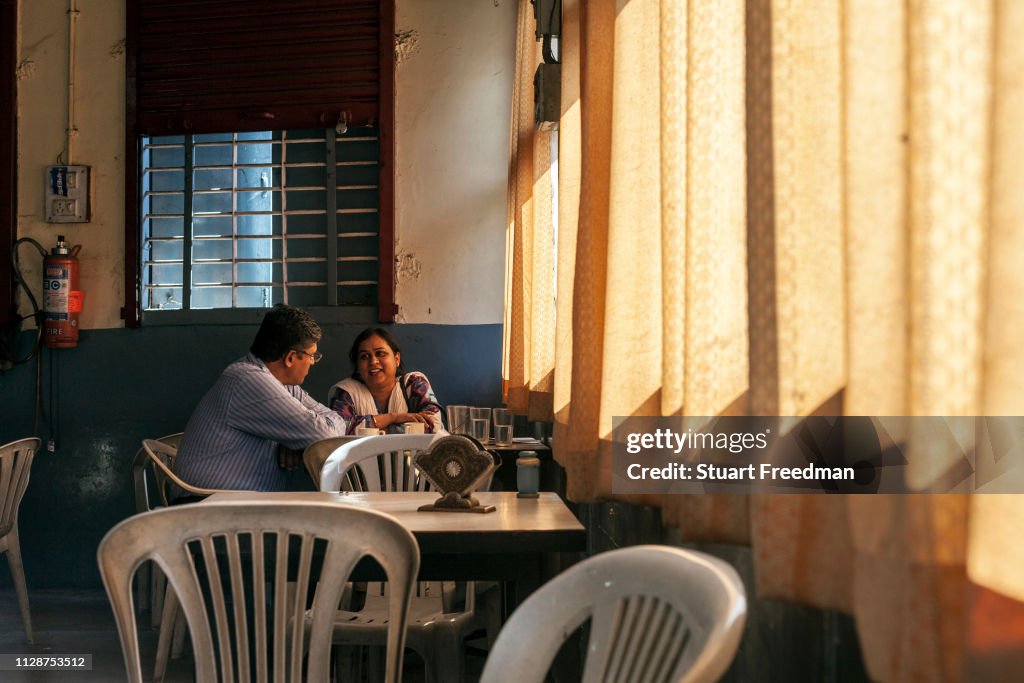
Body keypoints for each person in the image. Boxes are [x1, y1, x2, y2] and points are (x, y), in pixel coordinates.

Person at [174, 305, 346, 493]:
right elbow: (325, 436)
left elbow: (335, 420)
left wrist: (295, 439)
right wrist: (301, 437)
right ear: (290, 358)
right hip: (207, 507)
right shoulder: (247, 380)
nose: (313, 362)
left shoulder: (284, 385)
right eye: (312, 356)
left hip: (239, 505)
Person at [329, 327, 446, 434]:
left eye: (380, 353)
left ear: (396, 359)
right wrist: (393, 417)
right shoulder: (346, 392)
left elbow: (433, 424)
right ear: (357, 366)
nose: (373, 361)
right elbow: (338, 429)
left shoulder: (414, 383)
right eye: (364, 356)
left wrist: (373, 431)